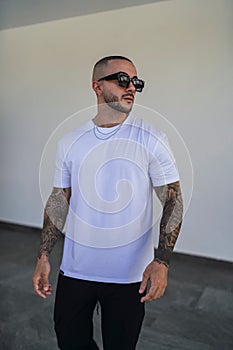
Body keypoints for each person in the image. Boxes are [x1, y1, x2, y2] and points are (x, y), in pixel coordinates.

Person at [32, 55, 183, 350]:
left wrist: (162, 261)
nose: (131, 88)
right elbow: (59, 200)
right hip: (75, 271)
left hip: (129, 277)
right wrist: (43, 256)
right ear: (96, 86)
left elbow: (173, 202)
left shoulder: (152, 138)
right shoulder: (70, 141)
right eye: (122, 79)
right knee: (70, 343)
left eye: (136, 82)